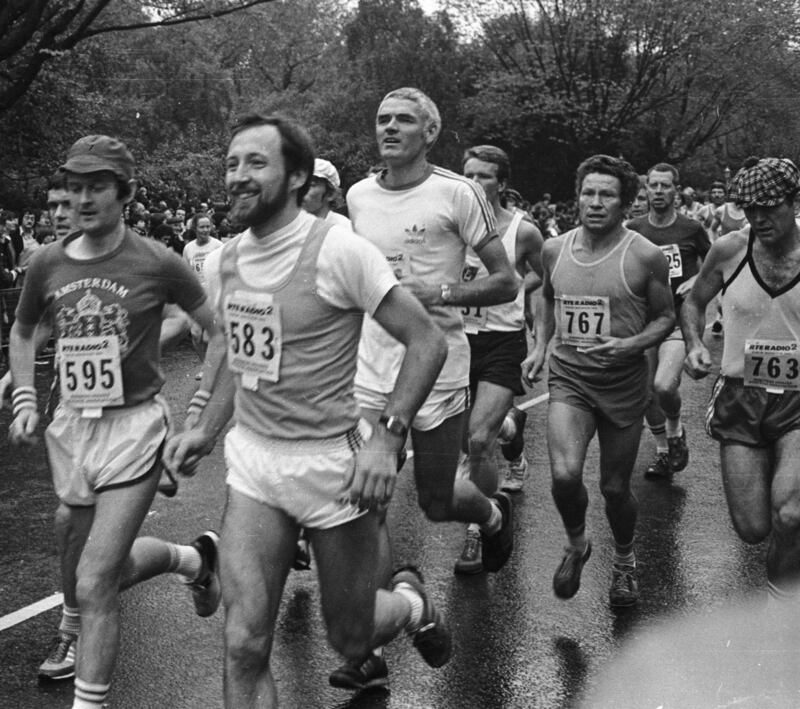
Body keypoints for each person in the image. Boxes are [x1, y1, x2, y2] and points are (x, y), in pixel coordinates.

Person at [162, 113, 453, 708]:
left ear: (297, 177)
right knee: (244, 642)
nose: (237, 176)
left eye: (256, 164)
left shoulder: (339, 251)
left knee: (349, 637)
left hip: (329, 466)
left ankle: (412, 605)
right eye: (231, 163)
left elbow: (427, 342)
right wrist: (206, 430)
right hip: (254, 466)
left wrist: (386, 439)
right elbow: (244, 362)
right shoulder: (226, 260)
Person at [7, 135, 223, 708]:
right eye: (74, 188)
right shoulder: (47, 262)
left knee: (96, 578)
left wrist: (201, 409)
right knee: (87, 559)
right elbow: (25, 331)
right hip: (73, 428)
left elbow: (218, 328)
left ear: (123, 193)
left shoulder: (158, 261)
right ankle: (194, 560)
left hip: (136, 429)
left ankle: (89, 697)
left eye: (95, 187)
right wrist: (26, 395)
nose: (81, 199)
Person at [336, 87, 518, 686]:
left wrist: (441, 294)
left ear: (429, 132)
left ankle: (491, 515)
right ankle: (376, 644)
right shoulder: (358, 195)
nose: (390, 127)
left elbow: (505, 282)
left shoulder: (455, 193)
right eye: (382, 118)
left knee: (438, 501)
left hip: (438, 363)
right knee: (366, 502)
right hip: (372, 368)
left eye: (404, 120)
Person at [523, 154, 674, 607]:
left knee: (614, 488)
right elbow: (546, 298)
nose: (594, 202)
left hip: (624, 382)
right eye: (588, 192)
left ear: (625, 203)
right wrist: (540, 344)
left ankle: (625, 562)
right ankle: (576, 543)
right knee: (565, 476)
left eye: (606, 194)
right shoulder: (555, 250)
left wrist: (629, 346)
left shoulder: (644, 255)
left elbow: (666, 317)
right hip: (570, 377)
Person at [683, 156, 800, 608]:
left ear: (794, 203)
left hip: (798, 399)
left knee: (789, 514)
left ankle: (780, 602)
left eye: (768, 208)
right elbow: (693, 303)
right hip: (740, 395)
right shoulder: (730, 249)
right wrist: (694, 343)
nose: (757, 218)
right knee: (753, 528)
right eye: (749, 208)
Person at [453, 144, 543, 574]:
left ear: (502, 184)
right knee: (468, 434)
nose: (473, 183)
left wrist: (510, 290)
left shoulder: (522, 231)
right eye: (467, 174)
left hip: (502, 341)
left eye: (484, 176)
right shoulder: (449, 225)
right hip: (456, 340)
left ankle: (477, 528)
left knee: (476, 441)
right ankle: (511, 426)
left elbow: (542, 275)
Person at [627, 163, 710, 478]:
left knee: (663, 385)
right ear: (646, 190)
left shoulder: (691, 229)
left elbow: (716, 262)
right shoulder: (633, 229)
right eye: (654, 186)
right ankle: (664, 451)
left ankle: (675, 431)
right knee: (646, 393)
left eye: (665, 186)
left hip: (678, 322)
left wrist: (698, 279)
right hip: (645, 323)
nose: (658, 192)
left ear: (677, 191)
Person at [302, 157, 351, 228]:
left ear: (330, 194)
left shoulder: (343, 228)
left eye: (310, 185)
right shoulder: (288, 227)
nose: (300, 191)